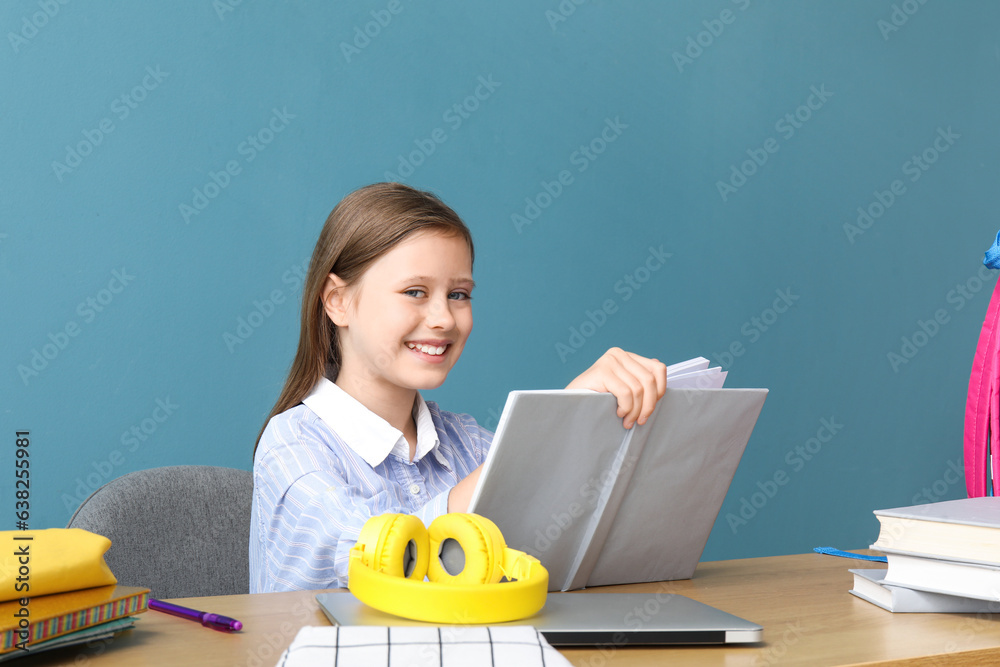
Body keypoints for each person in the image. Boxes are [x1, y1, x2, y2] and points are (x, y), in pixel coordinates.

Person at [250, 182, 667, 592]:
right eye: (415, 292)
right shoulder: (293, 446)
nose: (444, 319)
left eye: (458, 294)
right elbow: (386, 561)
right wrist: (556, 423)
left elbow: (572, 547)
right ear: (338, 301)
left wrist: (604, 428)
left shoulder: (469, 443)